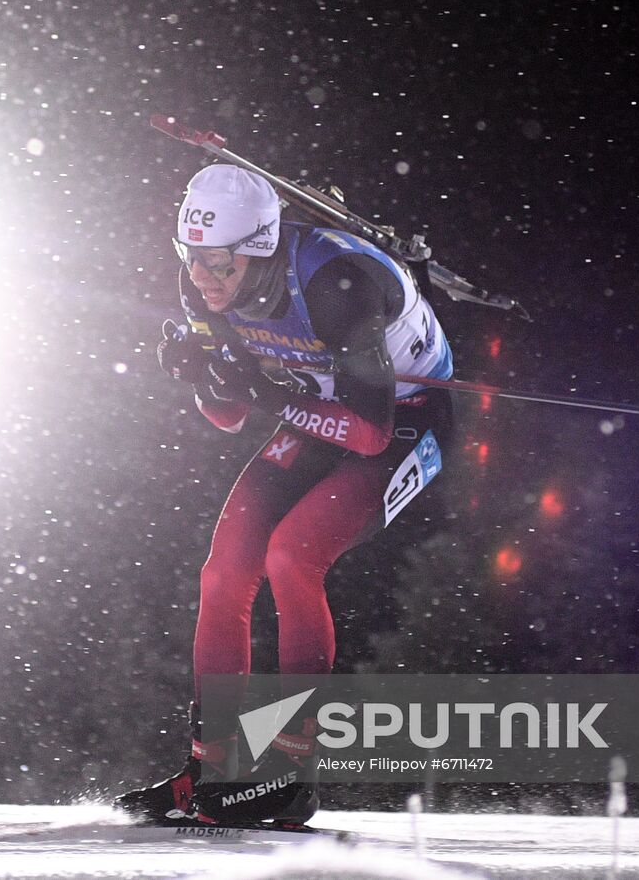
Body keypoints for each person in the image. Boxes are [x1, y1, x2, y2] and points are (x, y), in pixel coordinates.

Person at [115, 164, 456, 827]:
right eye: (192, 260)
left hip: (404, 417)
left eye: (220, 266)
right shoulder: (203, 287)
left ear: (261, 250)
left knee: (293, 558)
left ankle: (292, 774)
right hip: (316, 407)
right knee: (226, 569)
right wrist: (207, 377)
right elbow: (228, 418)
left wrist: (255, 385)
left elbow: (368, 432)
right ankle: (211, 767)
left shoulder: (339, 285)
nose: (204, 279)